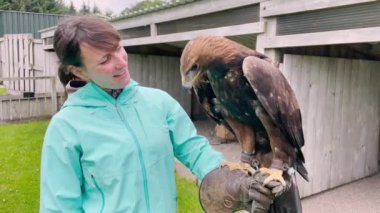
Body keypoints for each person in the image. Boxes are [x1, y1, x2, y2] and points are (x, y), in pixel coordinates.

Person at [39, 15, 275, 213]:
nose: (121, 62)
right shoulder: (66, 127)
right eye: (105, 60)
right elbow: (59, 207)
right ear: (78, 71)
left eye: (119, 48)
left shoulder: (158, 102)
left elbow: (196, 152)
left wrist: (237, 183)